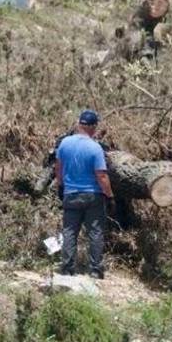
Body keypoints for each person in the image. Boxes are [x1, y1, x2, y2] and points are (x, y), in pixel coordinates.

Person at [55, 110, 112, 279]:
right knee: (95, 233)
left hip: (71, 193)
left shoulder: (65, 143)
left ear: (79, 124)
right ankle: (95, 270)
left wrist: (61, 186)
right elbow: (101, 176)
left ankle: (67, 269)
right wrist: (110, 195)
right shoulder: (95, 148)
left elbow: (58, 168)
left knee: (70, 232)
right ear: (94, 127)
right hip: (93, 196)